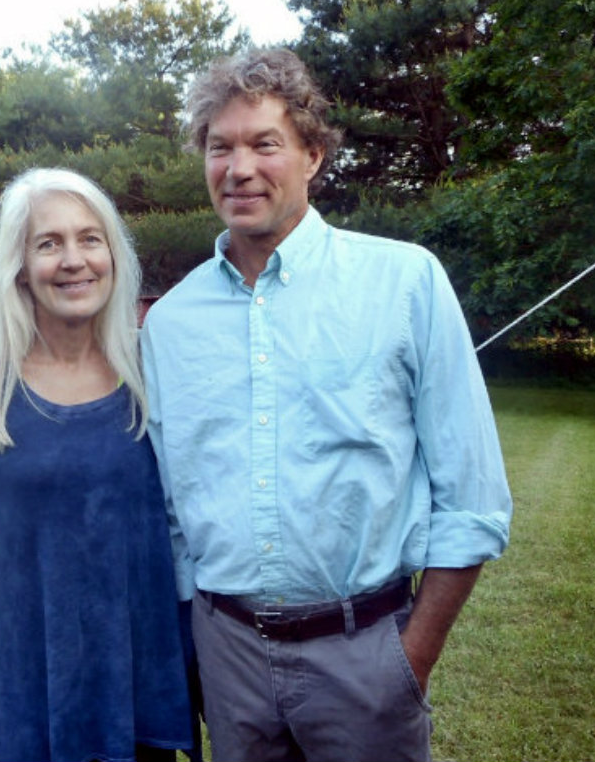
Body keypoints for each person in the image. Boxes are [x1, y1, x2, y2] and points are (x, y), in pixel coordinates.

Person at [140, 48, 513, 762]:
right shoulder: (171, 322)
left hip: (365, 654)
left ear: (312, 155)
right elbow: (171, 509)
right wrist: (198, 643)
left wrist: (411, 657)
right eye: (220, 147)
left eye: (264, 144)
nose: (238, 168)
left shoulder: (403, 282)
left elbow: (470, 498)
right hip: (229, 660)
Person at [0, 167, 193, 762]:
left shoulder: (154, 370)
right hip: (23, 685)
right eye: (49, 243)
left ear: (113, 254)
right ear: (19, 267)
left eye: (89, 238)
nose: (73, 260)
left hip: (141, 677)